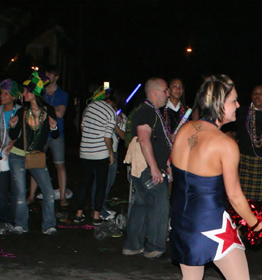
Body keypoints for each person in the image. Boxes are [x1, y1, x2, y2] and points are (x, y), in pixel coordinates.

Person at [148, 74, 262, 280]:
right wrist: (255, 224)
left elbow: (174, 171)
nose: (239, 105)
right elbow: (235, 196)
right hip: (213, 224)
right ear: (218, 104)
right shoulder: (225, 144)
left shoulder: (185, 130)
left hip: (183, 218)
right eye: (234, 100)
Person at [123, 78, 172, 258]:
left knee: (142, 205)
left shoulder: (152, 112)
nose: (168, 94)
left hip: (147, 168)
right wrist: (154, 168)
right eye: (166, 90)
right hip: (147, 169)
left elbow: (158, 142)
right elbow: (143, 139)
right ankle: (155, 248)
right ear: (155, 92)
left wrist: (165, 165)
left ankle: (133, 245)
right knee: (160, 206)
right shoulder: (146, 111)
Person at [6, 72, 60, 235]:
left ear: (34, 93)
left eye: (26, 91)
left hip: (36, 156)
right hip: (17, 155)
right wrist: (13, 126)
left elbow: (55, 136)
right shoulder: (22, 111)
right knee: (21, 193)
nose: (23, 94)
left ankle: (49, 225)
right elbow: (14, 137)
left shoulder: (47, 111)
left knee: (48, 192)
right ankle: (21, 224)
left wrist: (53, 127)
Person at [73, 87, 119, 224]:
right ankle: (96, 216)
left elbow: (82, 127)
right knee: (100, 184)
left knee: (85, 183)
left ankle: (78, 214)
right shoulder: (111, 113)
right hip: (100, 153)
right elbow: (107, 137)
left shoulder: (90, 106)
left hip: (85, 150)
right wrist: (111, 153)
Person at [29, 66, 69, 207]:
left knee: (59, 164)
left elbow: (60, 114)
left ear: (56, 76)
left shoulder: (62, 94)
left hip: (56, 133)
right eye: (45, 74)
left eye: (50, 74)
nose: (47, 76)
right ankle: (31, 195)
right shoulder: (40, 91)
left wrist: (44, 107)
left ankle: (63, 196)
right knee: (36, 163)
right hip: (40, 132)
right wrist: (52, 108)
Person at [0, 79, 21, 233]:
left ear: (13, 96)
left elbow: (22, 133)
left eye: (6, 94)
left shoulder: (20, 111)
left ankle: (15, 219)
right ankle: (2, 219)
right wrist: (2, 145)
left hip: (16, 154)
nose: (2, 97)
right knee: (2, 189)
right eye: (1, 93)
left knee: (16, 189)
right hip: (1, 154)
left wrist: (12, 145)